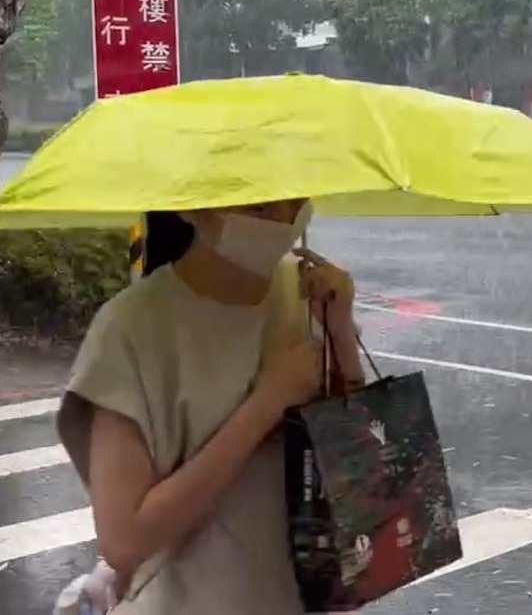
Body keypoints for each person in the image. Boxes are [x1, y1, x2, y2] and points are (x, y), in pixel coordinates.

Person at [56, 198, 366, 614]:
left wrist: (341, 333)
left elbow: (360, 458)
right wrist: (267, 402)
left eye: (295, 200)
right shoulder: (131, 328)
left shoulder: (309, 292)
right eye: (259, 207)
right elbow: (124, 541)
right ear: (192, 207)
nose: (284, 220)